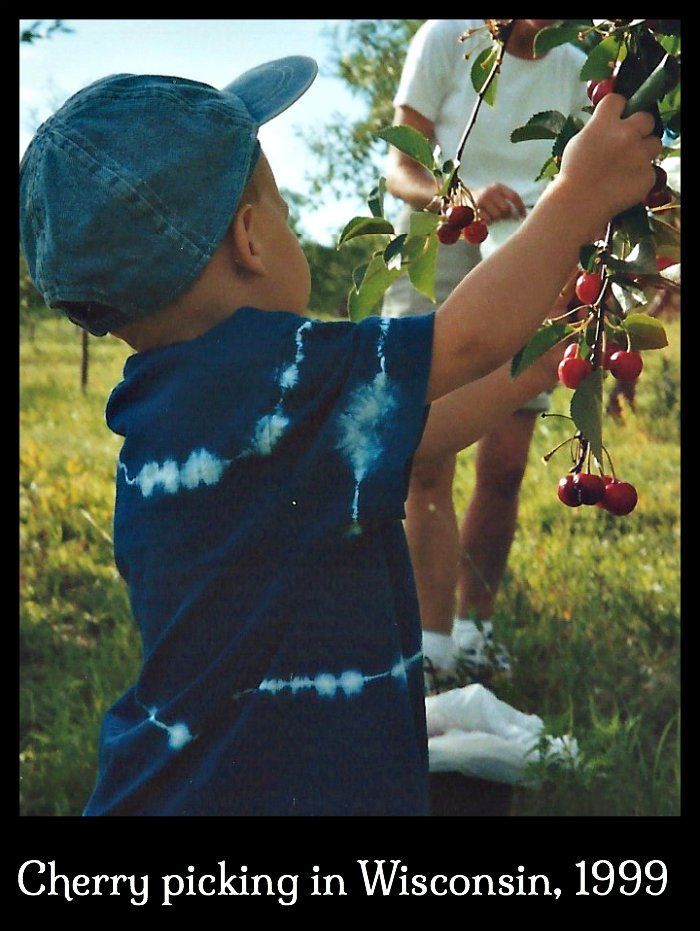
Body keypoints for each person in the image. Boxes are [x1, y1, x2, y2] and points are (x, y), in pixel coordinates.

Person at [18, 56, 659, 816]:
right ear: (252, 239)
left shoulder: (162, 416)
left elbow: (416, 433)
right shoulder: (285, 373)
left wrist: (546, 356)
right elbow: (461, 342)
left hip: (180, 780)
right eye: (285, 209)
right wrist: (582, 192)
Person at [381, 19, 590, 686]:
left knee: (504, 462)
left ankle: (475, 630)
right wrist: (459, 198)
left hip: (528, 252)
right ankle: (432, 646)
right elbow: (401, 166)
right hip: (438, 237)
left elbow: (597, 175)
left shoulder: (577, 62)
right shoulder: (449, 39)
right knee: (425, 455)